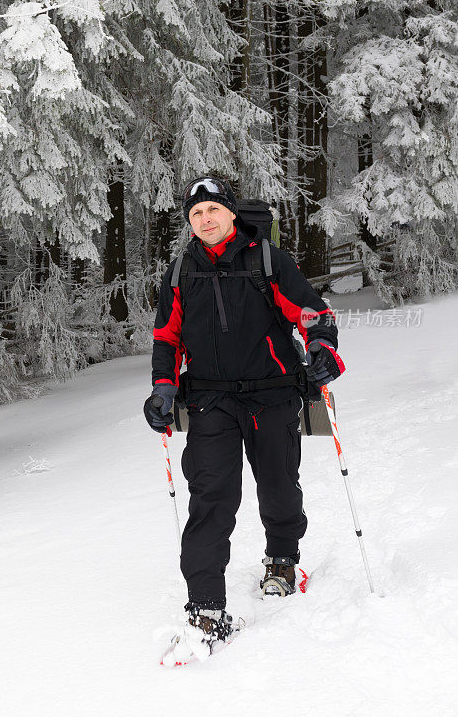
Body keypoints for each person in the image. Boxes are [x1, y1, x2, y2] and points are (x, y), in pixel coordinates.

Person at [144, 176, 345, 663]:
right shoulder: (181, 271)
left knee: (277, 482)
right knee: (210, 497)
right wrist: (163, 387)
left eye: (213, 209)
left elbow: (313, 312)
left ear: (231, 213)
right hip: (211, 401)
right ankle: (206, 610)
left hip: (271, 393)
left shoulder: (266, 259)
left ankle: (282, 560)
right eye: (196, 214)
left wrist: (322, 349)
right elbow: (166, 336)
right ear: (189, 224)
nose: (206, 219)